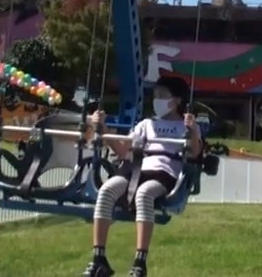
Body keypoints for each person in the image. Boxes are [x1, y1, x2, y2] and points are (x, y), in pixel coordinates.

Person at [82, 75, 202, 277]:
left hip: (165, 170)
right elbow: (123, 151)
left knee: (144, 193)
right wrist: (102, 129)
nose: (157, 101)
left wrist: (191, 132)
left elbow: (195, 153)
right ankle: (98, 258)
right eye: (155, 96)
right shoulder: (146, 124)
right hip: (137, 168)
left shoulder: (187, 126)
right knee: (106, 190)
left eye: (162, 96)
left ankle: (140, 262)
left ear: (177, 100)